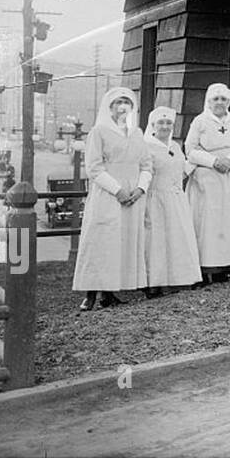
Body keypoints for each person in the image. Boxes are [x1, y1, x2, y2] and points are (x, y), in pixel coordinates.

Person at [73, 87, 153, 311]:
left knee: (123, 242)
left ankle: (110, 292)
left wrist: (140, 188)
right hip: (108, 195)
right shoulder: (99, 131)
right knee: (101, 240)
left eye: (126, 102)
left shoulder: (137, 133)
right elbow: (94, 168)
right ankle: (91, 293)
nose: (122, 107)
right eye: (118, 102)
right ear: (110, 107)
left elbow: (147, 165)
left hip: (133, 197)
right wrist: (117, 190)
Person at [185, 82, 230, 282]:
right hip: (209, 175)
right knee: (211, 221)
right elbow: (190, 149)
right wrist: (213, 161)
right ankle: (211, 264)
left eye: (223, 99)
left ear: (229, 101)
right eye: (215, 99)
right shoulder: (200, 122)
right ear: (209, 101)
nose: (220, 103)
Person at [141, 106, 202, 296]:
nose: (165, 126)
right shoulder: (146, 146)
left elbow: (180, 170)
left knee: (177, 238)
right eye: (161, 122)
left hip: (176, 198)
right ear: (152, 125)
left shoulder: (175, 146)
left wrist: (200, 160)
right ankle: (153, 283)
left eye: (169, 123)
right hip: (155, 198)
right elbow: (145, 172)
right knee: (156, 241)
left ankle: (179, 278)